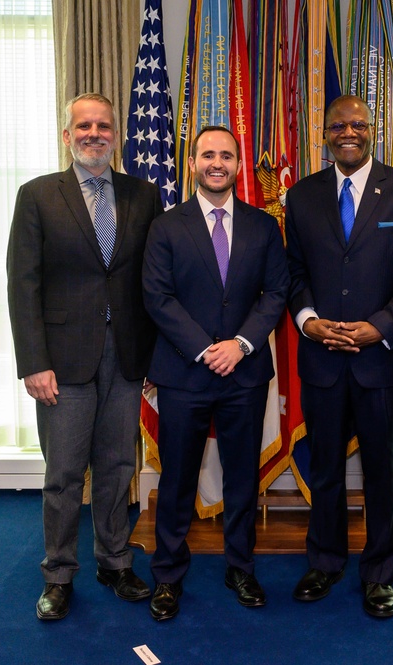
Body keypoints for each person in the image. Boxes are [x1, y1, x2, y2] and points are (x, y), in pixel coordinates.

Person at [6, 92, 163, 621]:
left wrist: (153, 359)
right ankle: (58, 574)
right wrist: (33, 362)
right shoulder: (37, 196)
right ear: (67, 134)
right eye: (84, 126)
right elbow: (22, 284)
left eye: (103, 126)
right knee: (65, 474)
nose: (94, 134)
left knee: (119, 467)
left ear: (116, 134)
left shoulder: (145, 196)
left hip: (126, 359)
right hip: (61, 363)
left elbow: (152, 281)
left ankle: (115, 562)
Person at [285, 95, 393, 618]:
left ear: (372, 130)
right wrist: (309, 322)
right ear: (323, 135)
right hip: (323, 358)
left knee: (381, 471)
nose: (348, 132)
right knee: (324, 468)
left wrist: (378, 327)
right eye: (337, 126)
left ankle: (379, 573)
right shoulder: (300, 196)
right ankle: (325, 561)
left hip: (383, 360)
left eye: (358, 124)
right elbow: (294, 274)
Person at [142, 125, 289, 621]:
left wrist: (241, 344)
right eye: (208, 154)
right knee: (178, 478)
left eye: (227, 155)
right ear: (193, 163)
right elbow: (157, 298)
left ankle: (240, 568)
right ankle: (167, 575)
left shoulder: (264, 226)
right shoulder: (165, 226)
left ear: (239, 164)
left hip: (244, 375)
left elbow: (275, 293)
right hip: (185, 373)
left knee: (243, 478)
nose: (217, 163)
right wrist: (207, 349)